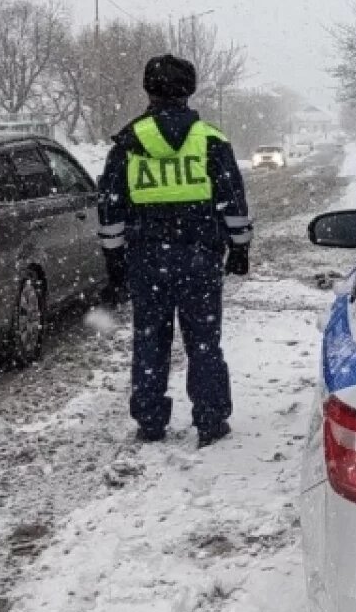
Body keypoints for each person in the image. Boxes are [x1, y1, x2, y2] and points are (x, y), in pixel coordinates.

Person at [97, 54, 253, 448]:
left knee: (150, 341)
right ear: (190, 89)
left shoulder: (128, 143)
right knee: (204, 342)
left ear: (148, 89)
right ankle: (211, 420)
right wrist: (239, 246)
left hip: (146, 260)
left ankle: (150, 421)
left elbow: (110, 208)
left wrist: (115, 259)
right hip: (201, 258)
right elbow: (233, 200)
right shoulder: (211, 141)